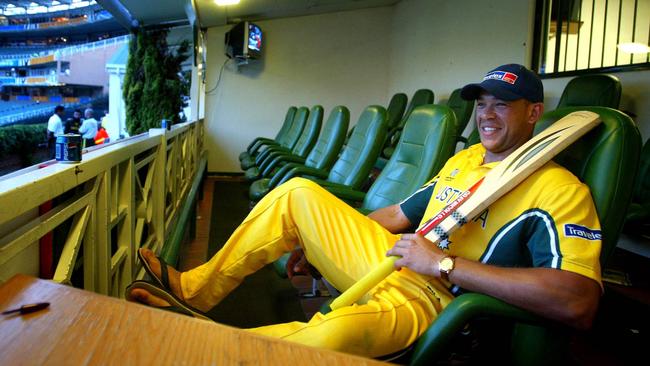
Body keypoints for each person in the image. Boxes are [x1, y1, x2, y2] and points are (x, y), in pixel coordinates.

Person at [126, 64, 602, 358]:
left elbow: (578, 301)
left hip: (439, 298)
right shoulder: (466, 160)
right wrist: (314, 243)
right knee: (298, 193)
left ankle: (192, 352)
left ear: (534, 114)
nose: (487, 116)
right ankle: (193, 291)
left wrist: (444, 264)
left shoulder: (558, 188)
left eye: (503, 106)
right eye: (481, 105)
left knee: (326, 340)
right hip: (396, 259)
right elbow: (398, 214)